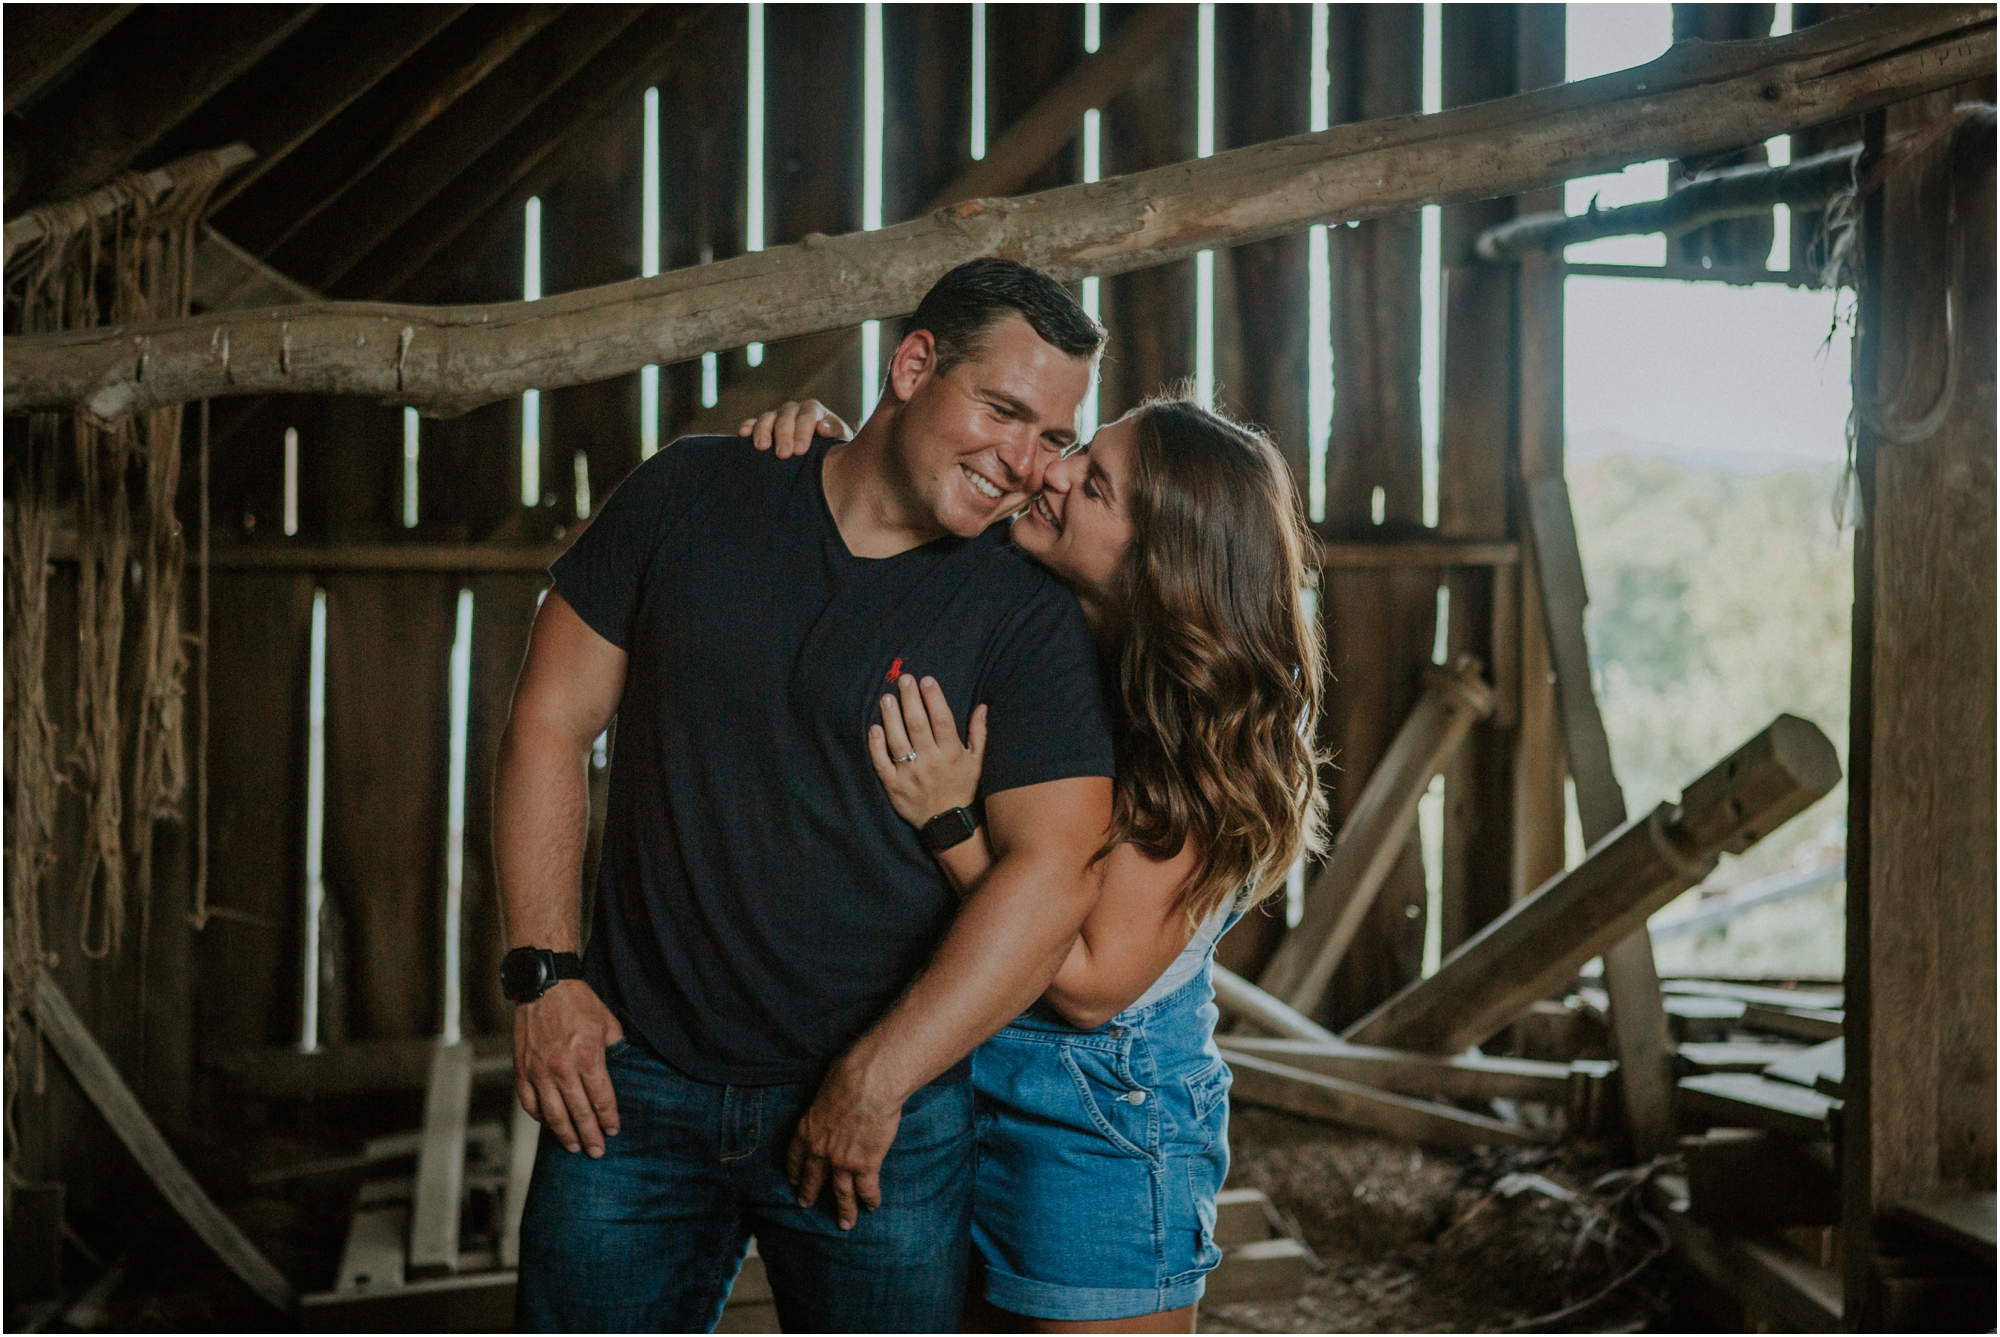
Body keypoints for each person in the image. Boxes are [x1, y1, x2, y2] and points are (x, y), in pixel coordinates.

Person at [497, 258, 1123, 1333]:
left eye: (1054, 437)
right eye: (1002, 409)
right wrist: (543, 972)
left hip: (884, 1116)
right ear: (914, 362)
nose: (1024, 462)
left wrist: (880, 1078)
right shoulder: (694, 491)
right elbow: (548, 721)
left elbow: (1053, 873)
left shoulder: (1027, 611)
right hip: (628, 1086)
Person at [742, 391, 1328, 1332]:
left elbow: (1091, 981)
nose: (1053, 471)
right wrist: (837, 454)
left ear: (1158, 561)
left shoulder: (1200, 728)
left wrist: (951, 825)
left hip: (1101, 1109)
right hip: (971, 1069)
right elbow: (902, 508)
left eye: (1093, 484)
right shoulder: (1042, 620)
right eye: (1081, 449)